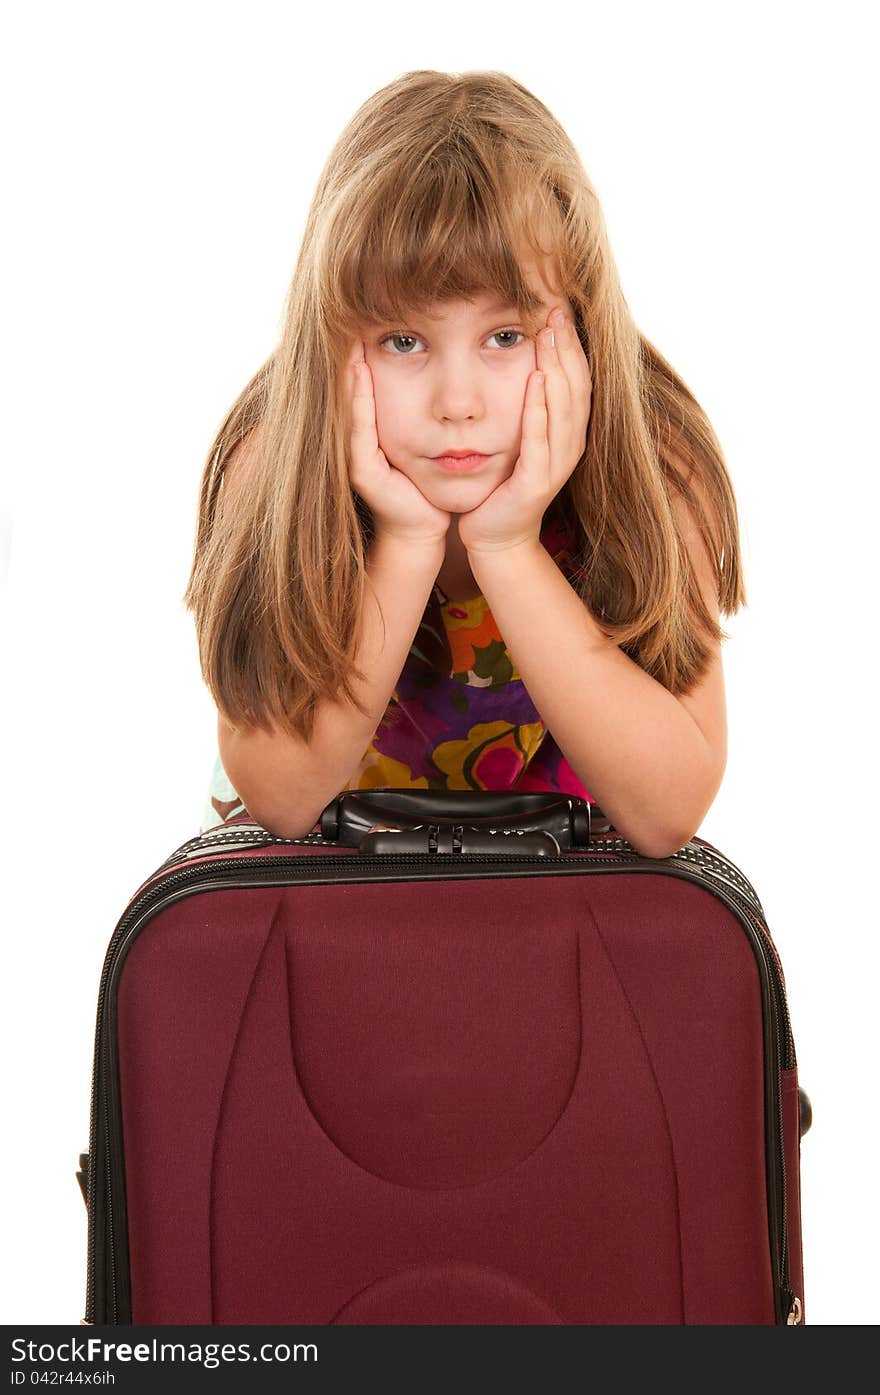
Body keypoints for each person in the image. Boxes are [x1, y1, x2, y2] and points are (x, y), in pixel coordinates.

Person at [183, 70, 745, 859]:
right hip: (323, 912)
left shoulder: (653, 462)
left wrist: (508, 548)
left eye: (505, 337)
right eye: (403, 341)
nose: (458, 401)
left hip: (552, 915)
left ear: (581, 323)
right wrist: (407, 542)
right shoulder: (271, 463)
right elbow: (279, 799)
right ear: (334, 337)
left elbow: (667, 810)